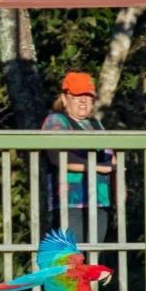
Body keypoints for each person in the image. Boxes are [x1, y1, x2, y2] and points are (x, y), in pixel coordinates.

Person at [41, 72, 115, 244]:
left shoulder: (96, 124)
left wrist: (120, 185)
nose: (83, 100)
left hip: (99, 200)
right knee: (73, 259)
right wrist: (96, 167)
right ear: (64, 98)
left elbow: (111, 157)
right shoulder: (56, 121)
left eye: (88, 96)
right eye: (77, 95)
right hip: (70, 203)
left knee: (95, 259)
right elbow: (57, 156)